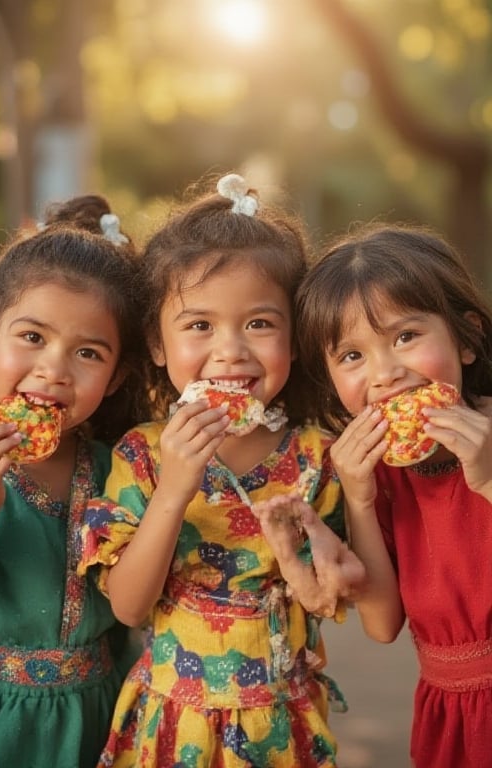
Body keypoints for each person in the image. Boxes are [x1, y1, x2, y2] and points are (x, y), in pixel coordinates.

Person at [78, 173, 365, 767]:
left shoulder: (320, 458)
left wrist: (313, 556)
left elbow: (335, 594)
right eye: (199, 325)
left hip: (280, 724)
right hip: (171, 722)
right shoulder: (142, 454)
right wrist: (176, 487)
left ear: (295, 337)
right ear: (157, 344)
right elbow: (130, 608)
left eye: (259, 323)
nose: (231, 349)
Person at [294, 220, 492, 768]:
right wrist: (358, 499)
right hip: (449, 720)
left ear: (467, 338)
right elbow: (382, 625)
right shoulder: (381, 479)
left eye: (406, 336)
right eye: (352, 356)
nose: (385, 373)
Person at [0, 195, 152, 768]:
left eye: (87, 352)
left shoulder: (122, 468)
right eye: (32, 337)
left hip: (100, 721)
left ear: (118, 374)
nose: (54, 369)